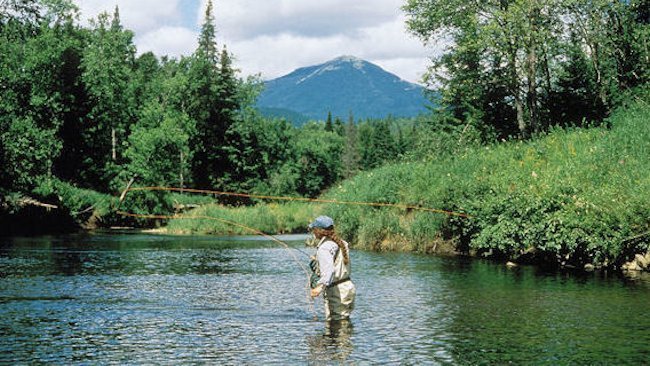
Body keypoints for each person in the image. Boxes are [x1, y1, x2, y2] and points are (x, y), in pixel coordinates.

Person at [307, 215, 356, 321]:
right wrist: (318, 259)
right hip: (347, 287)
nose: (313, 232)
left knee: (336, 327)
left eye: (314, 229)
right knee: (344, 323)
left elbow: (329, 271)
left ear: (320, 230)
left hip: (336, 292)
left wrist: (319, 288)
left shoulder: (324, 248)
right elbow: (337, 262)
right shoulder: (342, 243)